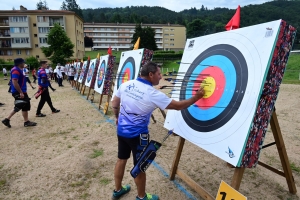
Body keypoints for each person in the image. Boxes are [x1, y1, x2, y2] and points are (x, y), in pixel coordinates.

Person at [111, 62, 205, 200]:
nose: (160, 76)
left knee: (121, 159)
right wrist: (196, 98)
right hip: (138, 136)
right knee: (140, 166)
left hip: (122, 131)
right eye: (159, 74)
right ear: (150, 74)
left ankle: (118, 190)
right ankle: (142, 197)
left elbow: (114, 103)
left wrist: (117, 117)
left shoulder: (127, 84)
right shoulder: (152, 94)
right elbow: (178, 106)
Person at [2, 58, 37, 128]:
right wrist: (20, 92)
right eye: (23, 63)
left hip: (22, 91)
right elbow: (15, 82)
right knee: (20, 105)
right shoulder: (15, 70)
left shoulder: (19, 70)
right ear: (19, 63)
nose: (24, 64)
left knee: (25, 105)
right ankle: (7, 119)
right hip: (19, 91)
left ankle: (26, 121)